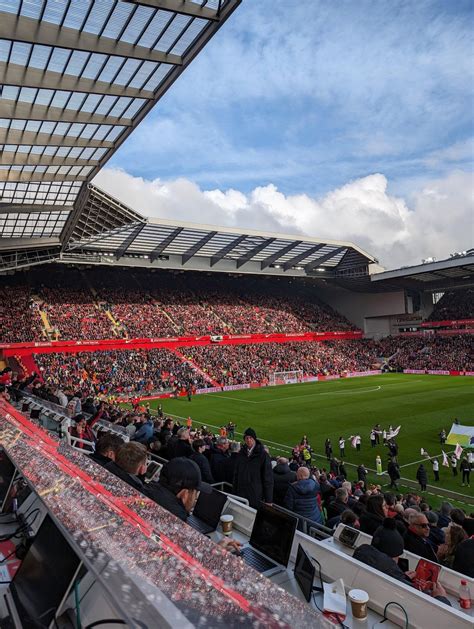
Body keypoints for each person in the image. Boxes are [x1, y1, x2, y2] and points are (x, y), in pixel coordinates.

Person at [233, 428, 273, 509]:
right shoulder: (241, 453)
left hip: (255, 495)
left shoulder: (263, 455)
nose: (248, 440)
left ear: (254, 439)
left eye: (250, 438)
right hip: (241, 494)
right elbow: (236, 474)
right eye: (246, 438)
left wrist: (269, 500)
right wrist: (234, 492)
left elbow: (268, 478)